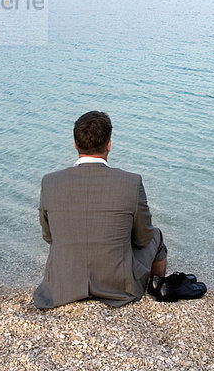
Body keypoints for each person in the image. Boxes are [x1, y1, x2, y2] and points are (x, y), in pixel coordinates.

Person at [33, 111, 168, 308]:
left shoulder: (50, 182)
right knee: (157, 235)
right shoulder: (131, 182)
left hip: (63, 285)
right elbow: (143, 238)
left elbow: (49, 237)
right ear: (109, 145)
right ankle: (156, 288)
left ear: (75, 144)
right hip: (118, 287)